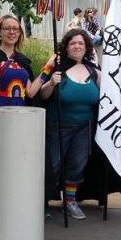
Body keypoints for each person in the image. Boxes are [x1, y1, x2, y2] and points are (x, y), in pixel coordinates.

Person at [0, 15, 47, 222]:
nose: (12, 32)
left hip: (19, 119)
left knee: (12, 163)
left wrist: (47, 70)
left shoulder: (23, 61)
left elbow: (30, 92)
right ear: (0, 32)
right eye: (7, 28)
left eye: (16, 29)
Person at [39, 29, 100, 220]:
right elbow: (41, 95)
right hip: (57, 126)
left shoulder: (94, 71)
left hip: (84, 127)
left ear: (86, 47)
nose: (77, 46)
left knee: (77, 164)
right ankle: (42, 202)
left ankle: (70, 201)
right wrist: (50, 84)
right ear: (66, 47)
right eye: (73, 43)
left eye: (81, 43)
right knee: (53, 165)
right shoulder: (57, 69)